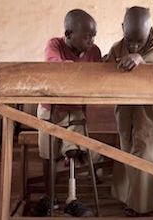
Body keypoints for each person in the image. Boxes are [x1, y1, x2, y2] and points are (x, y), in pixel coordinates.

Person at [36, 9, 101, 217]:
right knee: (49, 154)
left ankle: (72, 199)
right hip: (51, 110)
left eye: (93, 36)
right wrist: (78, 73)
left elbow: (98, 77)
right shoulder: (54, 44)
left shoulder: (95, 51)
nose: (91, 40)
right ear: (69, 33)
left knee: (73, 151)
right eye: (86, 36)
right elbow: (56, 67)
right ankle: (50, 197)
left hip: (76, 110)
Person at [106, 6, 153, 217]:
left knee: (146, 150)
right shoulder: (117, 47)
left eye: (139, 42)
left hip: (150, 109)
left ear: (149, 30)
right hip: (125, 108)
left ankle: (145, 206)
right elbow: (107, 71)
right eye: (129, 39)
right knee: (127, 148)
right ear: (123, 28)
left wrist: (140, 59)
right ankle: (129, 199)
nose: (133, 46)